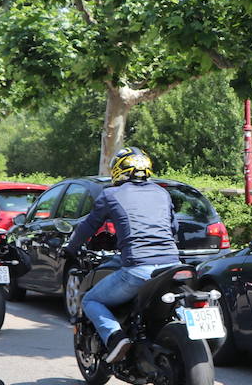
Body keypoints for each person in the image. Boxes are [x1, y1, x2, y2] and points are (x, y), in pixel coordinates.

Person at [63, 146, 179, 364]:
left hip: (139, 268)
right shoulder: (162, 193)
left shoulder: (111, 194)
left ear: (118, 170)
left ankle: (116, 338)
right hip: (172, 265)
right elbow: (173, 229)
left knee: (91, 300)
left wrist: (71, 248)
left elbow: (88, 226)